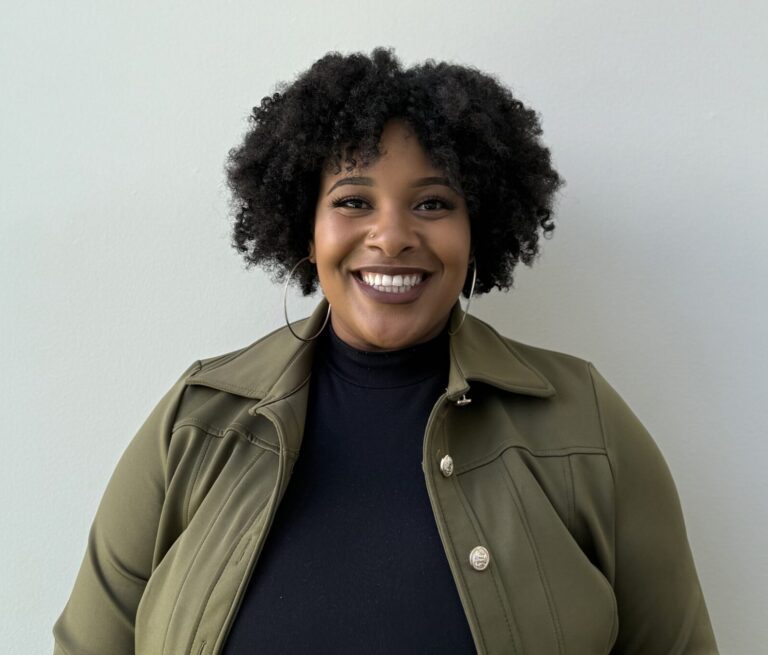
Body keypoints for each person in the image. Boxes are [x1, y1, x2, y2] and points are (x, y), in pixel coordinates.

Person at [52, 47, 719, 654]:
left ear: (477, 229)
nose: (392, 236)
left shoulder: (586, 424)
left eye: (432, 203)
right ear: (306, 229)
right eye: (353, 201)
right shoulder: (196, 418)